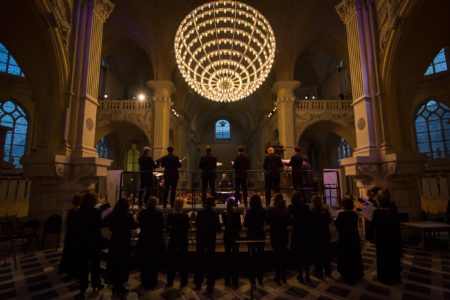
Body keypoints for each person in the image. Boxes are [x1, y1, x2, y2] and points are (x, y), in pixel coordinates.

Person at [107, 198, 138, 295]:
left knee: (114, 262)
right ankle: (120, 285)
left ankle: (115, 284)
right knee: (123, 263)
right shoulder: (128, 215)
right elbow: (134, 226)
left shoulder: (113, 215)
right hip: (124, 242)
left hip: (115, 241)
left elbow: (110, 227)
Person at [372, 192, 402, 284]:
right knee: (393, 257)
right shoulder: (393, 211)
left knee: (383, 258)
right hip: (393, 239)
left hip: (382, 240)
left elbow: (374, 224)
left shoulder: (377, 212)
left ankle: (384, 277)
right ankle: (395, 277)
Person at [77, 192, 103, 296]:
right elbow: (99, 225)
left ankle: (82, 288)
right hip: (94, 241)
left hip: (83, 242)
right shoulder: (96, 212)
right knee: (95, 265)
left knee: (83, 266)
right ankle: (96, 284)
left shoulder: (78, 212)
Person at [137, 196, 165, 289]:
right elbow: (161, 228)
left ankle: (144, 281)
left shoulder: (142, 213)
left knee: (144, 262)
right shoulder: (158, 214)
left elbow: (140, 223)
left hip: (144, 239)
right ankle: (153, 281)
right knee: (153, 262)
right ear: (156, 204)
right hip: (154, 241)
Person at [334, 196, 364, 284]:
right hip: (353, 237)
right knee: (354, 254)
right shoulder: (354, 214)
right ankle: (355, 272)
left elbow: (338, 226)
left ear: (343, 205)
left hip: (344, 238)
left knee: (345, 255)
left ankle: (346, 273)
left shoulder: (341, 214)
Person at [194, 197, 221, 291]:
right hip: (210, 238)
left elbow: (197, 225)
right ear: (213, 203)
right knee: (211, 259)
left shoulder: (200, 213)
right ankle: (210, 282)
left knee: (199, 258)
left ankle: (198, 282)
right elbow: (218, 229)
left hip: (201, 237)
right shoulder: (215, 215)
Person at [266, 194, 290, 285]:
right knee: (283, 255)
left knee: (276, 255)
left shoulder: (271, 210)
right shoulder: (285, 210)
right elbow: (288, 222)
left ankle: (277, 276)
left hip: (274, 234)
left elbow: (267, 221)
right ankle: (284, 276)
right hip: (283, 234)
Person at [166, 198, 190, 287]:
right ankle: (183, 281)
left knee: (171, 261)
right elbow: (187, 227)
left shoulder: (170, 216)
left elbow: (167, 228)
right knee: (183, 261)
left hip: (173, 239)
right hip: (183, 239)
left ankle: (170, 280)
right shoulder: (185, 216)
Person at [289, 191, 312, 284]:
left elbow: (289, 220)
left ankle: (300, 275)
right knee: (306, 255)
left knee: (298, 255)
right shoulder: (305, 206)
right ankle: (307, 274)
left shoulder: (291, 207)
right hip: (305, 233)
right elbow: (309, 218)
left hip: (296, 233)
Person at [244, 194, 266, 285]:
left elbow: (245, 224)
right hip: (260, 234)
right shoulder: (263, 211)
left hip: (251, 235)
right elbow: (265, 221)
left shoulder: (249, 212)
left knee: (251, 257)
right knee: (260, 257)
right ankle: (260, 277)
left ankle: (252, 277)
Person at [309, 194, 332, 278]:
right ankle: (328, 271)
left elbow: (310, 223)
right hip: (325, 234)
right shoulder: (325, 211)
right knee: (326, 255)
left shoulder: (312, 212)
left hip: (316, 235)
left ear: (313, 203)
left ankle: (319, 272)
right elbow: (329, 221)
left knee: (317, 255)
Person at [59, 194, 82, 279]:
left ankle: (68, 269)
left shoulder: (71, 211)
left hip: (70, 234)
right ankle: (73, 271)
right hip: (76, 235)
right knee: (74, 253)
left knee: (69, 252)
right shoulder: (78, 212)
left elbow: (67, 223)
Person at [222, 198, 242, 288]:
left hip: (227, 236)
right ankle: (235, 280)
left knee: (227, 257)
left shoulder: (224, 214)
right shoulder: (236, 214)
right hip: (235, 237)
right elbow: (239, 227)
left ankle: (227, 279)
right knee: (235, 258)